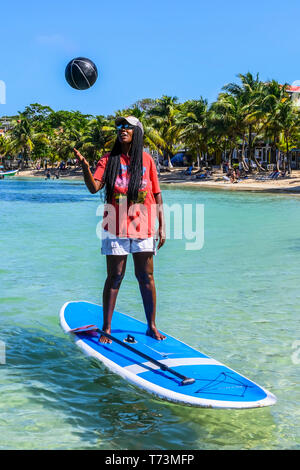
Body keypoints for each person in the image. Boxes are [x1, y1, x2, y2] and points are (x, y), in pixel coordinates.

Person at [73, 116, 166, 343]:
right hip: (115, 227)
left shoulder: (147, 161)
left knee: (146, 277)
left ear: (137, 132)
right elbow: (94, 188)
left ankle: (151, 326)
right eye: (119, 126)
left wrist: (162, 225)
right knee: (115, 276)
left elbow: (156, 194)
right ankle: (107, 327)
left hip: (143, 227)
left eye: (127, 127)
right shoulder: (109, 160)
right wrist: (86, 168)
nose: (122, 129)